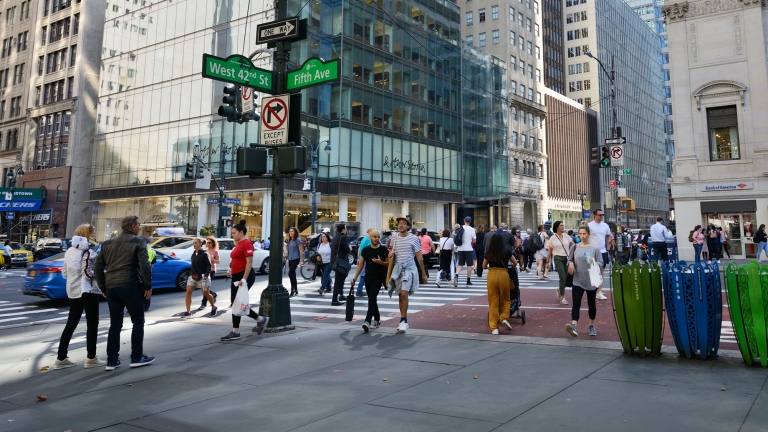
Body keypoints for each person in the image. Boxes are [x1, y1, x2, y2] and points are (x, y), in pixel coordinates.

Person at [94, 215, 154, 370]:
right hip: (131, 284)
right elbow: (144, 265)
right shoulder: (138, 241)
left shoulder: (107, 244)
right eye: (139, 224)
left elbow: (97, 267)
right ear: (133, 226)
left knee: (115, 324)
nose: (140, 227)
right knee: (138, 321)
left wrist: (103, 287)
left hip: (112, 286)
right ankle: (136, 356)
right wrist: (148, 286)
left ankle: (112, 360)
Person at [54, 224, 106, 370]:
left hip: (72, 290)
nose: (95, 234)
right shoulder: (89, 251)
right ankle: (91, 357)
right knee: (92, 323)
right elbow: (88, 272)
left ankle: (61, 357)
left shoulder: (69, 251)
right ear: (86, 234)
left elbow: (65, 273)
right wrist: (100, 278)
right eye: (93, 232)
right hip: (87, 290)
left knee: (71, 323)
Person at [221, 220, 268, 341]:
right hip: (236, 276)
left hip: (243, 276)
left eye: (234, 233)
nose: (233, 235)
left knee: (237, 303)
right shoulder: (239, 243)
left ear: (241, 232)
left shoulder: (247, 244)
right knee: (236, 303)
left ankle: (236, 331)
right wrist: (230, 269)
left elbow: (249, 262)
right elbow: (235, 259)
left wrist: (244, 278)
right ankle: (259, 319)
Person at [387, 217, 428, 333]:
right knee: (400, 295)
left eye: (404, 224)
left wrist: (423, 274)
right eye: (399, 223)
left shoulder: (414, 238)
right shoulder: (394, 237)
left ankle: (404, 320)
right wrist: (390, 253)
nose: (401, 225)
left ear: (408, 226)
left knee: (404, 294)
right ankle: (402, 319)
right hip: (398, 268)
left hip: (409, 268)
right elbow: (391, 252)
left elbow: (419, 256)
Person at [565, 225, 603, 337]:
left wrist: (594, 261)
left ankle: (591, 325)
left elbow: (602, 263)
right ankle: (573, 325)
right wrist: (570, 263)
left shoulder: (594, 249)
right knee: (576, 303)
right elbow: (569, 260)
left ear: (588, 234)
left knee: (592, 305)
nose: (582, 236)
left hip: (591, 280)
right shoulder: (575, 247)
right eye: (580, 234)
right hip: (578, 280)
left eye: (584, 234)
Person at [351, 230, 389, 332]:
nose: (376, 238)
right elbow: (361, 264)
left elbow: (389, 263)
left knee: (372, 298)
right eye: (374, 237)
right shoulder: (366, 250)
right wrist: (355, 278)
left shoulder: (383, 249)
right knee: (372, 299)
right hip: (368, 277)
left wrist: (381, 262)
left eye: (378, 237)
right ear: (370, 238)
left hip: (378, 278)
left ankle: (367, 321)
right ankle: (377, 319)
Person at [483, 233, 513, 335]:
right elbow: (515, 263)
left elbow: (483, 266)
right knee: (505, 299)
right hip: (503, 274)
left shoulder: (488, 252)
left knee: (493, 300)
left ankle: (494, 327)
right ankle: (504, 317)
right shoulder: (506, 251)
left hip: (492, 274)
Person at [181, 238, 216, 317]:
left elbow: (209, 265)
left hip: (203, 277)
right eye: (193, 243)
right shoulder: (193, 253)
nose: (194, 244)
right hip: (193, 276)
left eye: (196, 243)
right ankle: (188, 312)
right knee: (188, 292)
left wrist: (206, 275)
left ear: (201, 244)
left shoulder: (204, 254)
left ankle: (213, 308)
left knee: (206, 293)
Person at [587, 209, 611, 301]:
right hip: (592, 251)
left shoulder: (605, 225)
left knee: (601, 271)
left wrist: (608, 248)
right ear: (595, 216)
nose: (602, 216)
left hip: (603, 251)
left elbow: (608, 236)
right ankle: (593, 289)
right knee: (592, 271)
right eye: (600, 215)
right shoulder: (589, 225)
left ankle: (599, 291)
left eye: (602, 215)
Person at [549, 221, 573, 305]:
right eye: (561, 225)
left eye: (563, 225)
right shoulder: (552, 238)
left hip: (567, 258)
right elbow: (550, 250)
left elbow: (573, 245)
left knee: (567, 277)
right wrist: (548, 261)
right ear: (556, 227)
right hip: (558, 258)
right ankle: (562, 297)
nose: (562, 227)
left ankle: (560, 289)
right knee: (562, 277)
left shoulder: (566, 236)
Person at [453, 216, 477, 286]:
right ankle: (468, 281)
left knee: (460, 264)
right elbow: (474, 240)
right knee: (469, 265)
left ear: (464, 221)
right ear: (470, 222)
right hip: (468, 249)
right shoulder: (471, 229)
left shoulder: (460, 228)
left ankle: (456, 275)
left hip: (460, 248)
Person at [330, 223, 350, 306]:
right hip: (341, 262)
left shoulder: (335, 237)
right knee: (338, 280)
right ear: (342, 230)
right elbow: (347, 249)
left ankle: (341, 295)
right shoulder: (343, 237)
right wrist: (350, 249)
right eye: (345, 229)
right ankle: (334, 300)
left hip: (334, 261)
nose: (345, 230)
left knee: (341, 278)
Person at [199, 236, 219, 310]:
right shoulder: (205, 251)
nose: (208, 244)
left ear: (213, 243)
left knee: (205, 287)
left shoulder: (215, 251)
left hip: (212, 270)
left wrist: (211, 259)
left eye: (210, 243)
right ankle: (213, 294)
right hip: (204, 271)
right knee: (203, 287)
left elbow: (218, 261)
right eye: (207, 243)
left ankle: (203, 304)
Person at [356, 228, 374, 298]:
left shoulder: (364, 238)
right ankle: (359, 290)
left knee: (363, 274)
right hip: (365, 258)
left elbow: (359, 249)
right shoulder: (369, 239)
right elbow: (370, 249)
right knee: (363, 274)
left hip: (361, 257)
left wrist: (358, 258)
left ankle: (360, 290)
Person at [286, 227, 304, 297]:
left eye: (292, 231)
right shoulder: (289, 241)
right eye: (290, 231)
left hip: (296, 258)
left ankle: (292, 290)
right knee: (293, 274)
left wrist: (301, 260)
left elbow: (300, 250)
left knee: (290, 273)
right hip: (290, 259)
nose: (291, 233)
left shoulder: (298, 240)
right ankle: (295, 289)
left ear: (295, 232)